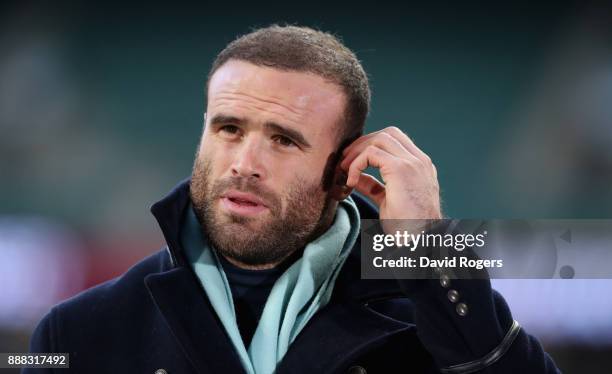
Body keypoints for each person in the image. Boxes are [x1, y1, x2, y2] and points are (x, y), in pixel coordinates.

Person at [26, 25, 560, 374]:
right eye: (228, 128)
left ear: (343, 170)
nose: (244, 163)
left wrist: (431, 250)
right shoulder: (77, 332)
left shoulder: (436, 321)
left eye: (284, 139)